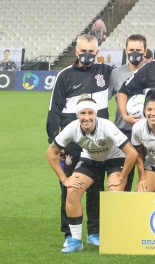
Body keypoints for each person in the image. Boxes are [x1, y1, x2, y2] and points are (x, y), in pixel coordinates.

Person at [45, 95, 138, 253]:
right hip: (91, 159)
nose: (86, 117)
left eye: (90, 113)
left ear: (95, 114)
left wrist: (122, 176)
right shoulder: (72, 128)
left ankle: (113, 238)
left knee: (115, 193)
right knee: (72, 191)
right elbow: (50, 153)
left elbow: (132, 153)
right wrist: (64, 179)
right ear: (77, 115)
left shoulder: (107, 126)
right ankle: (75, 240)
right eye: (82, 113)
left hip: (115, 159)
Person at [46, 34, 113, 249]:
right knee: (69, 189)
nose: (87, 55)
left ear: (97, 53)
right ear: (76, 51)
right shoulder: (65, 76)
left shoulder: (106, 72)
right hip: (72, 145)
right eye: (83, 51)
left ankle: (95, 232)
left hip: (99, 144)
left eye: (91, 52)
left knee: (96, 189)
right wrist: (55, 143)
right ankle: (69, 234)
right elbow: (54, 110)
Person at [110, 34, 148, 190]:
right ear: (125, 51)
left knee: (147, 179)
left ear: (145, 51)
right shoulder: (116, 74)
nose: (135, 53)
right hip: (122, 132)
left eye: (138, 50)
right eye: (131, 49)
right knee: (123, 179)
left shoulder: (151, 71)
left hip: (147, 133)